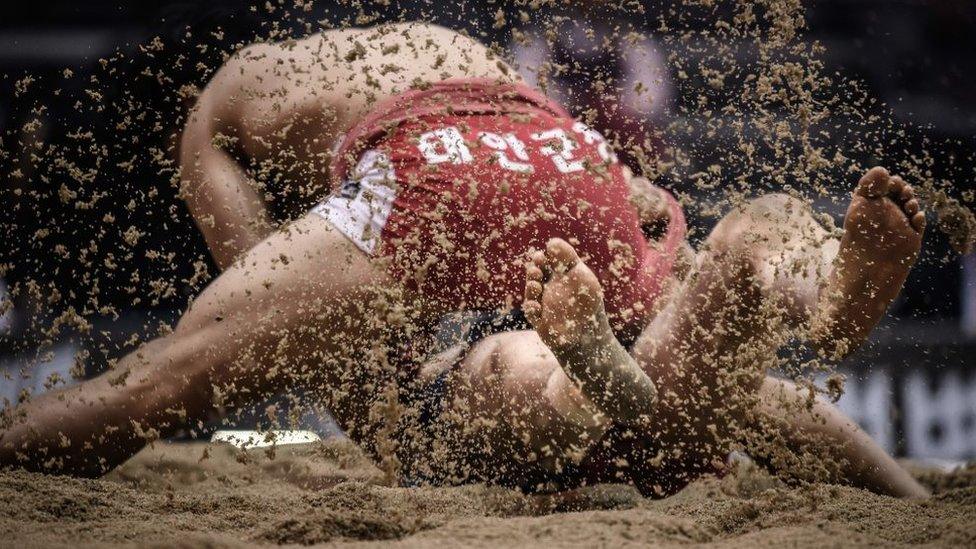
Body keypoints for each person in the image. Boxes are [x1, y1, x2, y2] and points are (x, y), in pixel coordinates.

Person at [0, 22, 928, 499]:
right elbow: (627, 193)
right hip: (572, 161)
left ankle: (579, 382)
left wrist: (375, 410)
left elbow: (270, 298)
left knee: (149, 385)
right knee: (719, 365)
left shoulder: (225, 99)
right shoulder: (441, 45)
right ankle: (804, 282)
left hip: (431, 164)